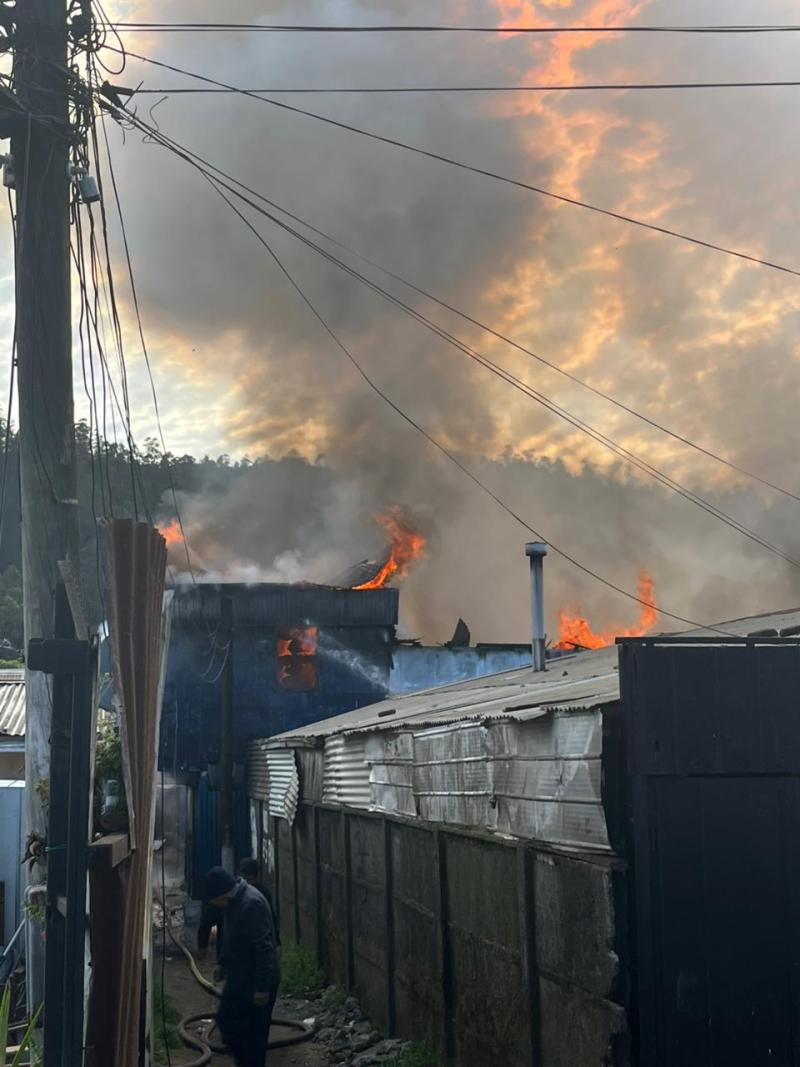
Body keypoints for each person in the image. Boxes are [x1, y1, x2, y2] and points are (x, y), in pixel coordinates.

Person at [204, 865, 281, 1067]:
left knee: (253, 1039)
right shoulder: (234, 902)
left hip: (255, 980)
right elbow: (231, 937)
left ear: (222, 894)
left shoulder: (250, 904)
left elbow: (264, 948)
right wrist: (222, 963)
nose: (213, 905)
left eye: (213, 900)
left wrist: (262, 988)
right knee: (227, 1023)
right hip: (240, 977)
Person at [198, 858, 280, 970]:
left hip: (250, 965)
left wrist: (277, 943)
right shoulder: (228, 899)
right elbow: (208, 921)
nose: (246, 883)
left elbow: (263, 943)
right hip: (233, 960)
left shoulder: (253, 902)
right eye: (244, 878)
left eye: (249, 879)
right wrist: (220, 961)